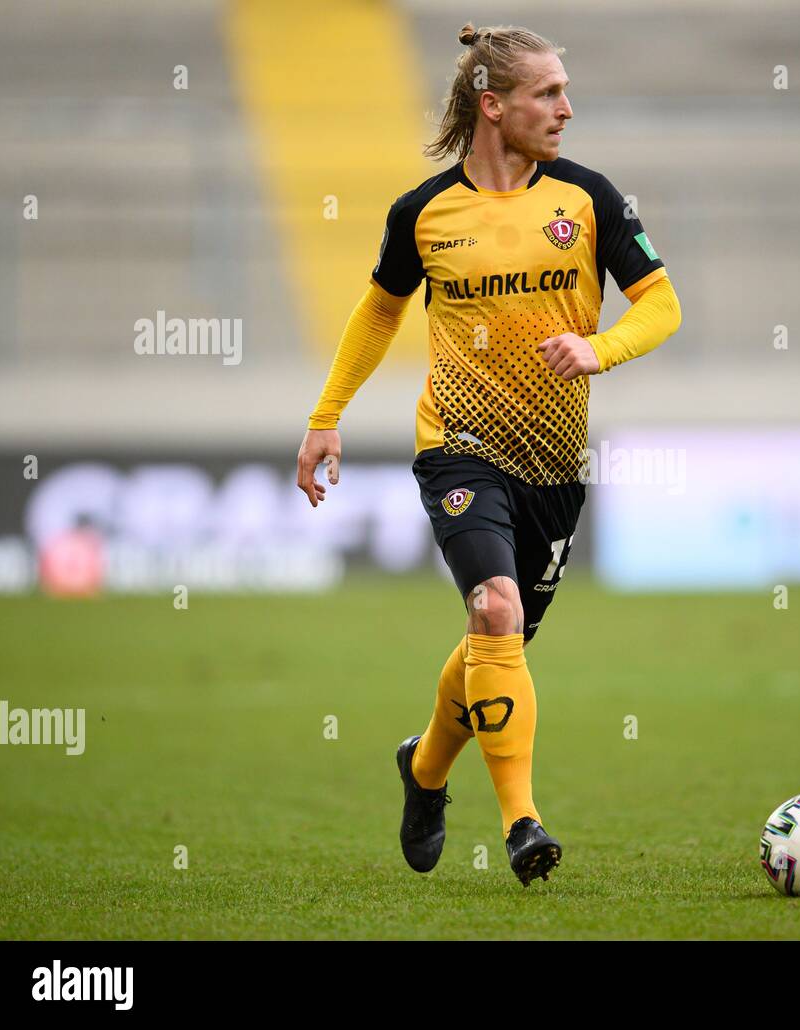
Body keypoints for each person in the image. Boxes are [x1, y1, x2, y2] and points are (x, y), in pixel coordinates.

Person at [295, 22, 682, 887]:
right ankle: (523, 825)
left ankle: (425, 768)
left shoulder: (587, 200)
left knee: (494, 637)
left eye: (565, 91)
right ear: (492, 103)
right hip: (458, 448)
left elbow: (662, 305)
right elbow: (381, 310)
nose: (567, 109)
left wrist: (602, 348)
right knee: (496, 610)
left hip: (553, 465)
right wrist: (326, 415)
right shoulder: (423, 213)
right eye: (549, 94)